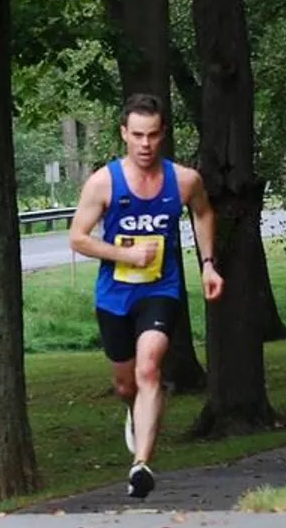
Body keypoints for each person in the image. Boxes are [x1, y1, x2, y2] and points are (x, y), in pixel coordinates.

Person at [67, 93, 223, 500]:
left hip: (160, 289)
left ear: (163, 135)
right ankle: (132, 411)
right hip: (115, 295)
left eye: (153, 135)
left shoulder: (184, 180)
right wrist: (126, 254)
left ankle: (141, 466)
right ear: (124, 134)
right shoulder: (104, 182)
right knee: (126, 384)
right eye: (137, 135)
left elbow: (204, 212)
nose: (145, 144)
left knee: (150, 368)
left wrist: (208, 263)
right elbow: (77, 239)